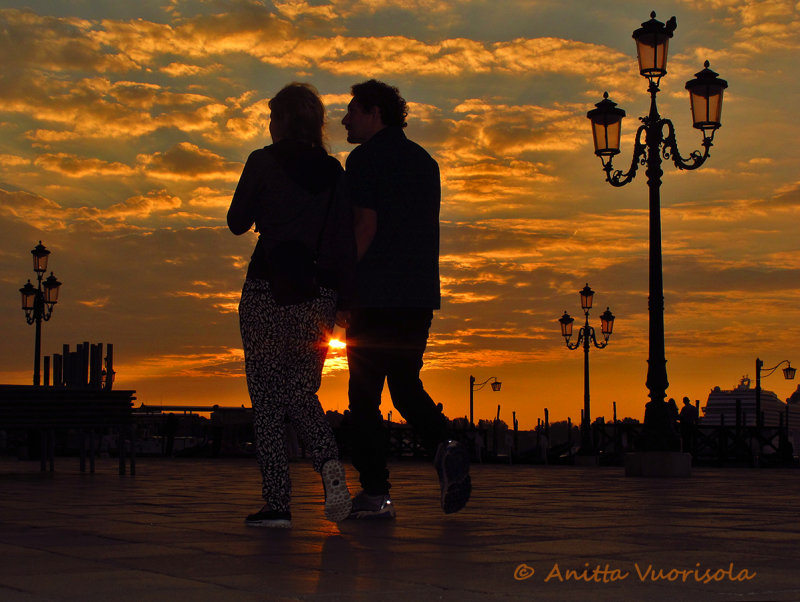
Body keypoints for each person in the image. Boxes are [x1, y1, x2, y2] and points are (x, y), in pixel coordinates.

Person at [340, 79, 471, 519]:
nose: (344, 119)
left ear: (375, 112)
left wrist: (342, 286)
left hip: (375, 295)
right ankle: (445, 442)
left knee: (363, 399)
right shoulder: (425, 162)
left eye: (352, 111)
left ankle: (376, 494)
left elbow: (365, 227)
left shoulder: (363, 160)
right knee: (405, 385)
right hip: (417, 297)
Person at [228, 82, 355, 528]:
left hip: (267, 286)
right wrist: (343, 302)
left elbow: (236, 222)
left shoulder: (262, 161)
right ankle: (329, 464)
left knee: (266, 397)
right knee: (301, 391)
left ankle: (278, 503)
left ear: (281, 121)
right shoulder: (336, 173)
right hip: (318, 293)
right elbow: (344, 242)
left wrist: (267, 204)